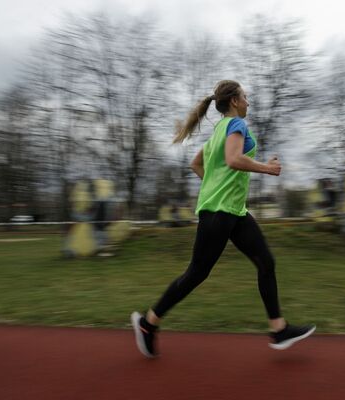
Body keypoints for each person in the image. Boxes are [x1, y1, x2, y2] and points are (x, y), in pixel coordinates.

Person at [131, 80, 315, 358]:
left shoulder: (218, 130)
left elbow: (197, 164)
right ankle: (148, 324)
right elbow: (233, 159)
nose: (248, 101)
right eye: (245, 97)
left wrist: (214, 186)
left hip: (234, 212)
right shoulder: (236, 126)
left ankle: (279, 329)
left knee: (266, 262)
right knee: (196, 274)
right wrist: (267, 168)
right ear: (234, 101)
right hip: (219, 212)